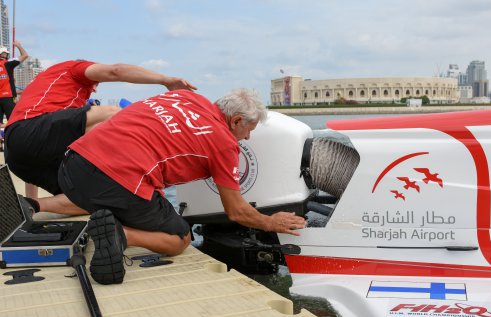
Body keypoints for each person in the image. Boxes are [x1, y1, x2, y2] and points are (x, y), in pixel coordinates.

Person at [58, 88, 306, 284]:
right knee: (180, 236)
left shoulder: (186, 97)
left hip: (71, 167)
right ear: (236, 120)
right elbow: (236, 211)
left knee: (128, 191)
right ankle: (120, 235)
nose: (248, 138)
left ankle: (37, 205)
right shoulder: (224, 143)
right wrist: (270, 222)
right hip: (116, 181)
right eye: (248, 130)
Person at [4, 59, 196, 218]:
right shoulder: (72, 68)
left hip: (18, 158)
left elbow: (34, 147)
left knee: (94, 199)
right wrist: (166, 80)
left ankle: (30, 205)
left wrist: (31, 202)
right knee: (114, 114)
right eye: (96, 83)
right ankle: (127, 169)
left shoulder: (49, 99)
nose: (95, 89)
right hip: (24, 132)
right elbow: (116, 71)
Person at [0, 41, 28, 153]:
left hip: (3, 97)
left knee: (1, 124)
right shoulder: (7, 64)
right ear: (4, 54)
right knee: (13, 121)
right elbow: (25, 56)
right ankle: (14, 144)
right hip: (7, 97)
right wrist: (19, 46)